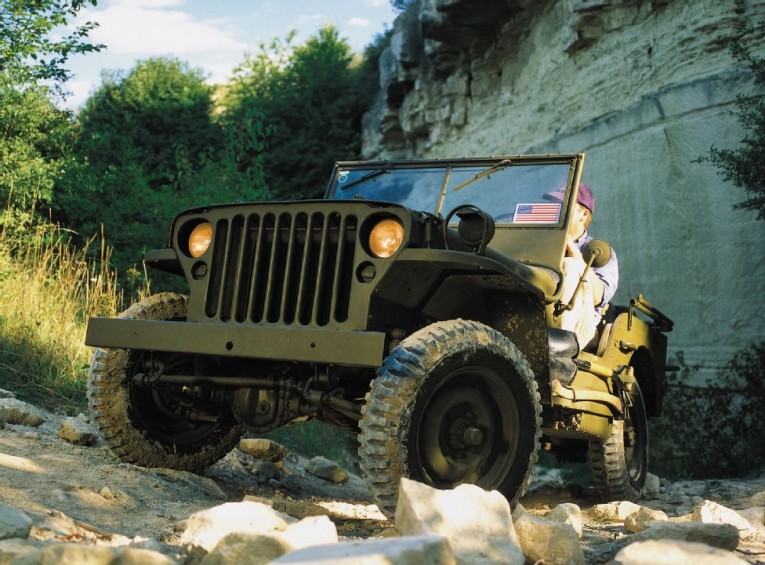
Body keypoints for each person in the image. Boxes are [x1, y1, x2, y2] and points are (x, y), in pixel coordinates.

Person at [552, 183, 619, 348]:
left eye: (562, 205)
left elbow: (599, 296)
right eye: (553, 204)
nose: (555, 209)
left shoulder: (597, 250)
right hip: (537, 315)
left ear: (583, 214)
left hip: (582, 328)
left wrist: (571, 248)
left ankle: (559, 353)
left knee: (571, 266)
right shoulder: (542, 243)